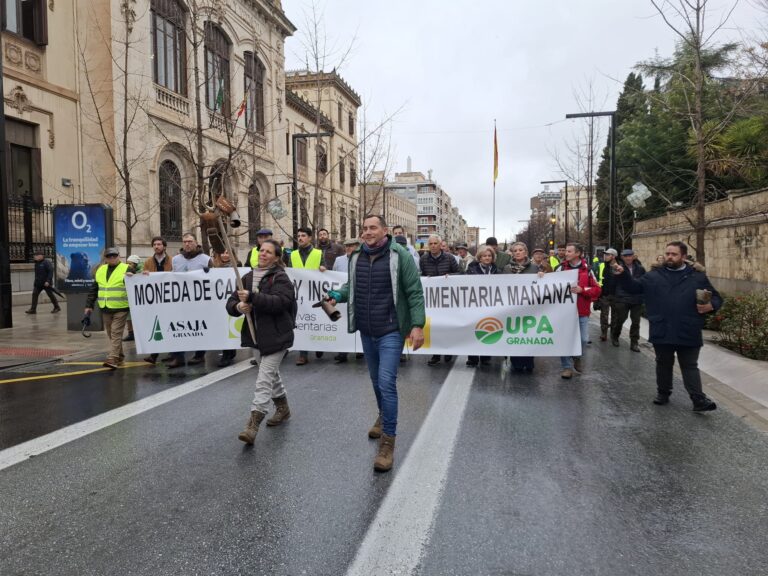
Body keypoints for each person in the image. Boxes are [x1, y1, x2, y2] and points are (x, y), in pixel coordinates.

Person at [327, 214, 425, 472]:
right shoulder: (356, 256)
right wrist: (337, 295)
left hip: (391, 330)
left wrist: (417, 325)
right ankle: (383, 417)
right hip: (366, 331)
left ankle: (388, 442)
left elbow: (414, 291)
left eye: (373, 228)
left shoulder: (399, 256)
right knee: (375, 381)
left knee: (386, 383)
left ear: (384, 231)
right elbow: (353, 287)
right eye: (364, 228)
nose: (368, 232)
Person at [615, 241, 720, 412]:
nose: (669, 257)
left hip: (688, 328)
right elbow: (634, 287)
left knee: (690, 365)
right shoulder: (654, 275)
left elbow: (715, 297)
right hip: (662, 327)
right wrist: (622, 275)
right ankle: (663, 393)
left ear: (684, 257)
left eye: (674, 254)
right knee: (663, 363)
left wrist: (711, 305)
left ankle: (698, 399)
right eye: (667, 254)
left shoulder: (697, 277)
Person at [227, 239, 297, 445]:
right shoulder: (247, 277)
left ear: (276, 257)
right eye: (261, 250)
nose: (263, 254)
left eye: (268, 252)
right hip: (255, 336)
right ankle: (283, 408)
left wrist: (253, 298)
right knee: (271, 375)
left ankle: (253, 424)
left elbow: (281, 303)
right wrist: (240, 307)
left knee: (264, 379)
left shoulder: (281, 278)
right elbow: (230, 303)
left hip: (277, 336)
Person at [555, 243, 601, 379]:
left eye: (569, 251)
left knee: (583, 339)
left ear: (578, 253)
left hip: (581, 311)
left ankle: (577, 356)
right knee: (565, 339)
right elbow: (549, 285)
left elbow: (597, 290)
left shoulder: (588, 270)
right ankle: (566, 367)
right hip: (564, 312)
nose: (566, 253)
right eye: (566, 251)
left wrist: (583, 290)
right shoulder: (560, 268)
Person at [168, 233, 213, 369]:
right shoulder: (175, 260)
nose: (187, 244)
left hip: (199, 302)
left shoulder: (206, 259)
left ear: (196, 242)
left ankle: (199, 355)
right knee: (177, 327)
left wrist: (209, 273)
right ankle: (178, 357)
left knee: (199, 328)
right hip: (180, 301)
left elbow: (215, 278)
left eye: (190, 241)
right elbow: (169, 276)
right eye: (185, 241)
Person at [84, 247, 130, 370]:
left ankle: (113, 358)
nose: (112, 258)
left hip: (121, 307)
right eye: (109, 256)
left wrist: (140, 275)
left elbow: (139, 282)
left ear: (119, 256)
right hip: (105, 307)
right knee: (111, 334)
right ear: (105, 258)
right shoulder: (101, 270)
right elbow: (94, 289)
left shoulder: (127, 268)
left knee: (116, 332)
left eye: (114, 256)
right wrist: (89, 305)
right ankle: (120, 356)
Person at [420, 234, 458, 366]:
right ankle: (436, 354)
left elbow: (460, 273)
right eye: (430, 244)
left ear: (440, 244)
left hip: (448, 299)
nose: (433, 246)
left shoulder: (449, 257)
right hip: (433, 300)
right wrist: (426, 278)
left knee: (447, 325)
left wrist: (450, 276)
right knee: (434, 326)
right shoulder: (424, 259)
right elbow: (421, 275)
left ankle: (448, 350)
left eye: (435, 243)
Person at [503, 242, 539, 373]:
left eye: (520, 250)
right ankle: (516, 362)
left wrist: (542, 277)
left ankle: (529, 361)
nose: (518, 252)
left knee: (528, 334)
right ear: (512, 253)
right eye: (515, 250)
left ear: (525, 252)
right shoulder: (507, 269)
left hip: (529, 308)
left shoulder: (535, 268)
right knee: (515, 335)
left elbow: (541, 286)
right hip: (513, 308)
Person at [289, 227, 324, 365]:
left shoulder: (318, 253)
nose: (300, 238)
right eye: (298, 236)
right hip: (299, 295)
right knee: (302, 323)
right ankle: (303, 354)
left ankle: (318, 345)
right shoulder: (292, 255)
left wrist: (323, 268)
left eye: (303, 235)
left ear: (310, 238)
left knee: (315, 321)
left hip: (314, 294)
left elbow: (324, 268)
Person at [465, 244, 499, 367]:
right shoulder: (471, 268)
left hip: (490, 305)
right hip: (474, 304)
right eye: (484, 256)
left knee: (488, 328)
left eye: (489, 256)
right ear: (479, 257)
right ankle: (472, 357)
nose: (487, 258)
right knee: (473, 329)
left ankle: (485, 356)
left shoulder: (496, 270)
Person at [142, 236, 172, 365]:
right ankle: (154, 355)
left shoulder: (172, 260)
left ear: (164, 246)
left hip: (170, 298)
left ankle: (172, 353)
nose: (156, 246)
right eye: (154, 244)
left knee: (170, 326)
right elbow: (144, 277)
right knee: (157, 325)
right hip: (155, 298)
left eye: (159, 244)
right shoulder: (148, 261)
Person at [332, 238, 361, 364]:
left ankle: (360, 349)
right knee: (343, 325)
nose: (348, 248)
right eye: (347, 246)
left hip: (358, 297)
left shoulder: (362, 260)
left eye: (352, 246)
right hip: (343, 298)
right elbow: (332, 275)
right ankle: (343, 351)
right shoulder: (339, 261)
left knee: (358, 323)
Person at [611, 248, 645, 351]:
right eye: (626, 256)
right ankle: (615, 335)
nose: (628, 258)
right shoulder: (617, 267)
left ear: (633, 256)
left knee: (636, 322)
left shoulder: (640, 268)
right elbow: (614, 282)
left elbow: (643, 282)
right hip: (623, 298)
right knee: (621, 319)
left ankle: (634, 343)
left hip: (636, 299)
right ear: (622, 257)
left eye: (630, 256)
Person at [214, 250, 241, 367]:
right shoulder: (214, 267)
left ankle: (229, 352)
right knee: (221, 328)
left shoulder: (238, 266)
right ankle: (227, 353)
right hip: (218, 303)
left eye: (227, 252)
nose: (224, 255)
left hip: (232, 301)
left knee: (231, 328)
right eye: (222, 253)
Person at [26, 250, 60, 314]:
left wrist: (48, 281)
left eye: (36, 256)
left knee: (50, 295)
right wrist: (35, 282)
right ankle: (33, 309)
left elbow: (50, 272)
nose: (34, 257)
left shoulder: (47, 262)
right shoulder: (36, 263)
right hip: (38, 283)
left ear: (40, 256)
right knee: (34, 294)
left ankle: (57, 307)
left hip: (46, 283)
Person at [595, 248, 618, 342]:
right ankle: (604, 333)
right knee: (604, 315)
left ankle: (613, 335)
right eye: (605, 254)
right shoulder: (602, 265)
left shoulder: (618, 266)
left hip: (616, 295)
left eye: (607, 254)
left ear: (613, 256)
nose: (605, 256)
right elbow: (599, 279)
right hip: (604, 294)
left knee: (615, 316)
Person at [121, 255, 143, 342]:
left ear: (135, 263)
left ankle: (140, 333)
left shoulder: (141, 270)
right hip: (130, 296)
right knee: (129, 317)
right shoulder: (127, 269)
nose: (128, 265)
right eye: (127, 263)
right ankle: (131, 333)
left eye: (130, 263)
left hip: (139, 297)